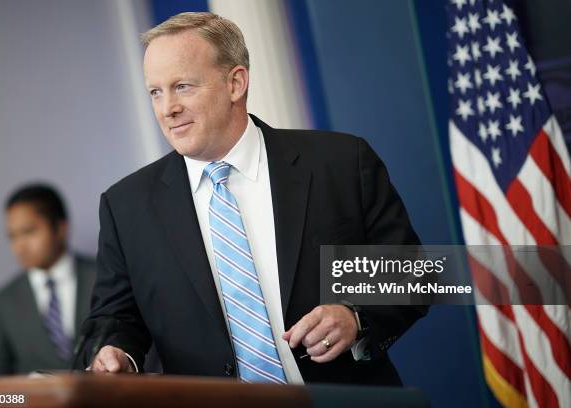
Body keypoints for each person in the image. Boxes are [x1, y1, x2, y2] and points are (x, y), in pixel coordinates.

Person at [78, 12, 427, 385]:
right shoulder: (127, 206)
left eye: (182, 87)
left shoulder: (340, 164)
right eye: (155, 92)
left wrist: (354, 316)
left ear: (235, 83)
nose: (167, 108)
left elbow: (415, 275)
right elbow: (114, 318)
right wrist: (114, 351)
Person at [0, 184, 96, 375]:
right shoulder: (2, 302)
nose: (19, 246)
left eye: (29, 232)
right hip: (35, 404)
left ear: (60, 228)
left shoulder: (105, 276)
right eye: (12, 236)